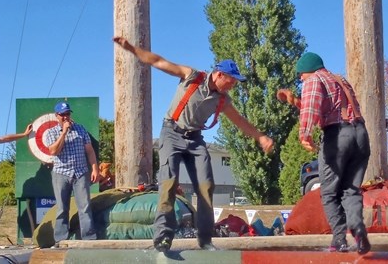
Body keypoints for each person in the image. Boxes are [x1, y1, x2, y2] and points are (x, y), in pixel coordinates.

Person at [113, 36, 275, 252]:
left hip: (196, 140)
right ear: (219, 74)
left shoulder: (223, 100)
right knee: (168, 183)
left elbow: (240, 121)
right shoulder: (192, 76)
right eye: (231, 80)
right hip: (172, 132)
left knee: (206, 186)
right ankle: (162, 237)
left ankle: (205, 239)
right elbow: (158, 61)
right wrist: (132, 49)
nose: (233, 85)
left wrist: (260, 137)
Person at [276, 52, 371, 254]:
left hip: (338, 136)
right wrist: (294, 101)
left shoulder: (314, 80)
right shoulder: (339, 79)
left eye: (300, 74)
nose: (300, 78)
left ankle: (339, 240)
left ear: (308, 70)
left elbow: (311, 108)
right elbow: (326, 107)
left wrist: (305, 135)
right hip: (360, 134)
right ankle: (358, 230)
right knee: (350, 189)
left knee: (328, 192)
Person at [44, 101, 99, 244]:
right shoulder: (51, 132)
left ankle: (89, 238)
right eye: (62, 115)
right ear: (57, 116)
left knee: (85, 207)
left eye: (67, 114)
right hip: (61, 173)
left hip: (80, 172)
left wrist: (94, 168)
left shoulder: (80, 129)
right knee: (62, 208)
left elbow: (89, 150)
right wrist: (64, 133)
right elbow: (54, 151)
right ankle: (61, 240)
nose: (66, 117)